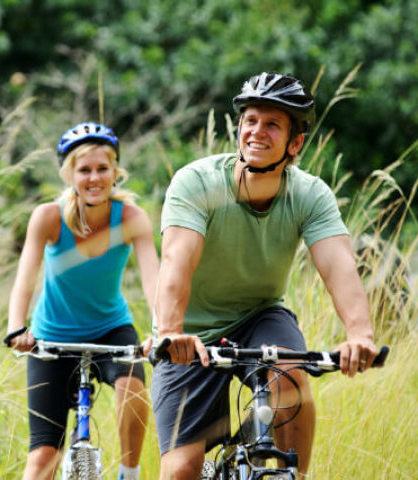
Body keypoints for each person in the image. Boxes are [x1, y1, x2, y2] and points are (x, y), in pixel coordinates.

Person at [149, 72, 378, 479]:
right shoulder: (197, 182)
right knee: (181, 469)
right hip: (190, 334)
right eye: (250, 120)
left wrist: (361, 335)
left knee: (291, 374)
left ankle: (293, 475)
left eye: (272, 124)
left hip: (260, 316)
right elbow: (176, 260)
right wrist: (170, 330)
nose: (257, 131)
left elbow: (339, 266)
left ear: (295, 143)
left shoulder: (309, 194)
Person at [6, 122, 159, 480]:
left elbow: (155, 279)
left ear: (115, 171)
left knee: (133, 389)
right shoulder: (48, 217)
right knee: (43, 457)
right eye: (84, 170)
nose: (94, 178)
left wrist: (161, 330)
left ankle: (129, 473)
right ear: (69, 174)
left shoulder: (132, 218)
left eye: (102, 169)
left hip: (111, 330)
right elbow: (24, 278)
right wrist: (17, 327)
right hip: (52, 337)